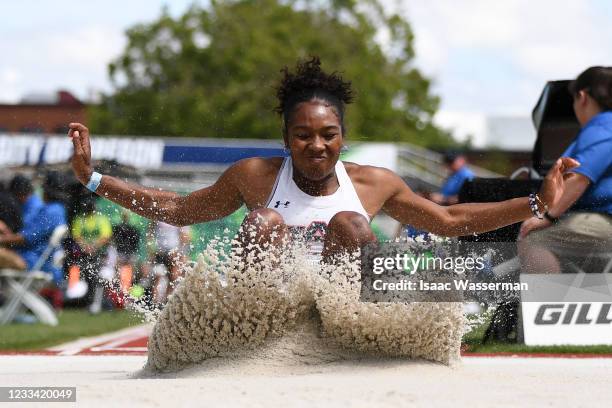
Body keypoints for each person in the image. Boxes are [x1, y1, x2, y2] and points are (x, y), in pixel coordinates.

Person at [67, 57, 577, 267]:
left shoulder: (375, 183)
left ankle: (352, 332)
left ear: (343, 139)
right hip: (274, 303)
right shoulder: (255, 175)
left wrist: (534, 201)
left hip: (343, 305)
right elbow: (180, 209)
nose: (316, 145)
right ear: (286, 140)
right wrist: (93, 180)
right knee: (264, 220)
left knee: (351, 223)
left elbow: (447, 221)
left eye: (328, 135)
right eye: (303, 135)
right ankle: (250, 335)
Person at [519, 66, 612, 274]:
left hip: (603, 221)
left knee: (534, 241)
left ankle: (546, 304)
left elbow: (580, 177)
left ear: (582, 96)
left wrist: (546, 216)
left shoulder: (603, 127)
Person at [0, 172, 67, 282]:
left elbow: (25, 238)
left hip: (34, 262)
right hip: (34, 259)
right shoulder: (56, 209)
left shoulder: (51, 211)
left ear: (46, 191)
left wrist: (2, 238)